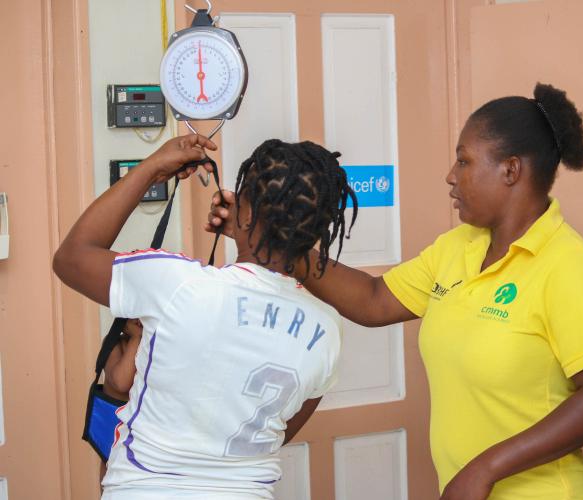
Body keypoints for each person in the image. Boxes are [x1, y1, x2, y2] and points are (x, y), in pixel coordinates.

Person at [208, 83, 583, 500]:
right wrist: (272, 237)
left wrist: (485, 469)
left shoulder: (569, 266)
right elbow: (374, 299)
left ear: (511, 170)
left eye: (464, 161)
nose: (451, 176)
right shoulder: (459, 247)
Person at [53, 134, 356, 499]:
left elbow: (72, 258)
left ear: (244, 213)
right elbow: (281, 428)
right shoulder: (326, 328)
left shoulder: (176, 283)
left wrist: (151, 169)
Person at [99, 318, 143, 480]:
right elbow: (121, 382)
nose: (139, 319)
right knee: (113, 473)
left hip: (144, 434)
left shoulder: (156, 344)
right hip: (113, 427)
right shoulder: (115, 343)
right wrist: (136, 338)